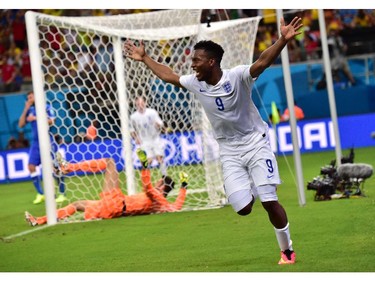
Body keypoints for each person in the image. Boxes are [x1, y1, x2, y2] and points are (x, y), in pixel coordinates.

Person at [124, 16, 303, 265]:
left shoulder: (237, 76)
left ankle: (287, 251)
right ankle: (254, 185)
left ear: (211, 62)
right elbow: (170, 76)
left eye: (196, 60)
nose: (192, 63)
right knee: (243, 208)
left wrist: (282, 39)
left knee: (269, 200)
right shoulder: (196, 83)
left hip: (255, 142)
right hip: (229, 149)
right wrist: (144, 58)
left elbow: (262, 62)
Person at [25, 149, 189, 226]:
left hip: (117, 203)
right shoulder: (162, 205)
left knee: (110, 162)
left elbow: (147, 186)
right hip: (112, 210)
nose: (157, 182)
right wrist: (183, 187)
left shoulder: (157, 196)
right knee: (77, 205)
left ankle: (68, 167)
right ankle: (39, 220)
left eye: (159, 182)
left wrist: (145, 166)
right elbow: (177, 206)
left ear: (162, 186)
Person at [18, 91, 67, 204]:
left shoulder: (46, 107)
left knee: (55, 166)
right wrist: (26, 109)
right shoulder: (29, 110)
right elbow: (20, 125)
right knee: (31, 166)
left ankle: (62, 194)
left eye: (30, 96)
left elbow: (51, 121)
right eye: (28, 97)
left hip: (48, 140)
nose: (29, 99)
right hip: (36, 142)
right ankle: (41, 194)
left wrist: (35, 118)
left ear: (36, 96)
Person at [130, 95, 167, 178]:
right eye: (138, 104)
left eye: (142, 103)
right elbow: (132, 130)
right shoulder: (133, 117)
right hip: (144, 141)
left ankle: (165, 178)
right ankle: (146, 181)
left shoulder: (152, 112)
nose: (140, 105)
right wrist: (136, 138)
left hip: (155, 138)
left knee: (160, 158)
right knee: (147, 162)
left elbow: (161, 124)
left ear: (145, 103)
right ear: (135, 104)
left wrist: (158, 125)